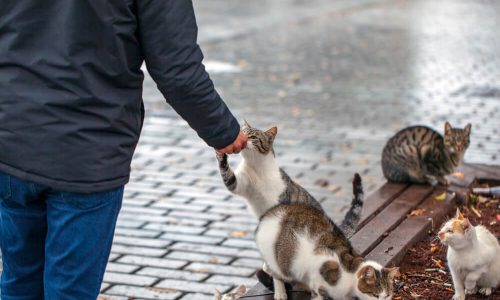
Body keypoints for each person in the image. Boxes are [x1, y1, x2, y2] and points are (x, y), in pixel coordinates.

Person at [0, 0, 247, 299]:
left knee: (19, 281)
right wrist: (222, 130)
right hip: (87, 153)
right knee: (68, 290)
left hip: (13, 140)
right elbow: (176, 68)